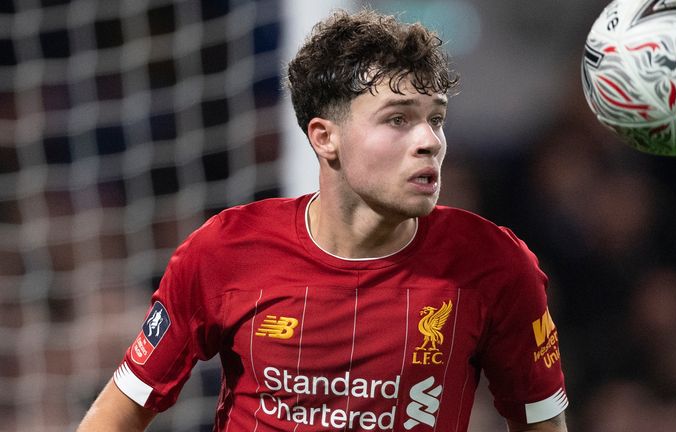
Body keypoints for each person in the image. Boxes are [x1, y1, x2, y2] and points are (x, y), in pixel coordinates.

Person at [78, 8, 568, 432]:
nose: (430, 141)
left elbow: (542, 422)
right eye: (398, 119)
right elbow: (119, 412)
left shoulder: (494, 265)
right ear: (324, 137)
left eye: (435, 119)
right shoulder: (226, 251)